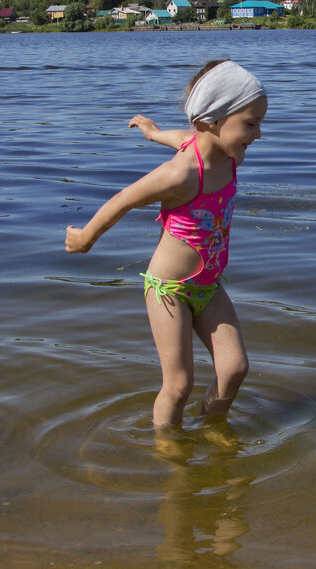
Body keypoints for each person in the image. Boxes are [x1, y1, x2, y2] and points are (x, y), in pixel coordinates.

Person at [65, 59, 267, 430]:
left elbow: (183, 136)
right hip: (169, 291)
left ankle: (211, 429)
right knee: (179, 384)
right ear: (212, 120)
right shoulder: (181, 173)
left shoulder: (224, 153)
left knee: (234, 368)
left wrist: (154, 133)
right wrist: (85, 238)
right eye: (250, 124)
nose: (258, 134)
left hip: (207, 286)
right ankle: (169, 451)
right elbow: (124, 199)